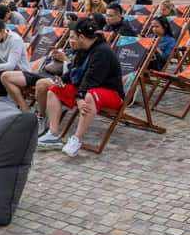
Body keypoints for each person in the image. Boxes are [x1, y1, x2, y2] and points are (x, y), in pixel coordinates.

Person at [36, 18, 124, 156]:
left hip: (111, 92)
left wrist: (80, 97)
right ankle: (54, 134)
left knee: (89, 96)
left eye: (74, 36)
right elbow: (75, 70)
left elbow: (92, 79)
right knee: (54, 90)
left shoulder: (102, 52)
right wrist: (63, 80)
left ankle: (77, 138)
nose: (72, 40)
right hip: (88, 87)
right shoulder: (85, 48)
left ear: (82, 37)